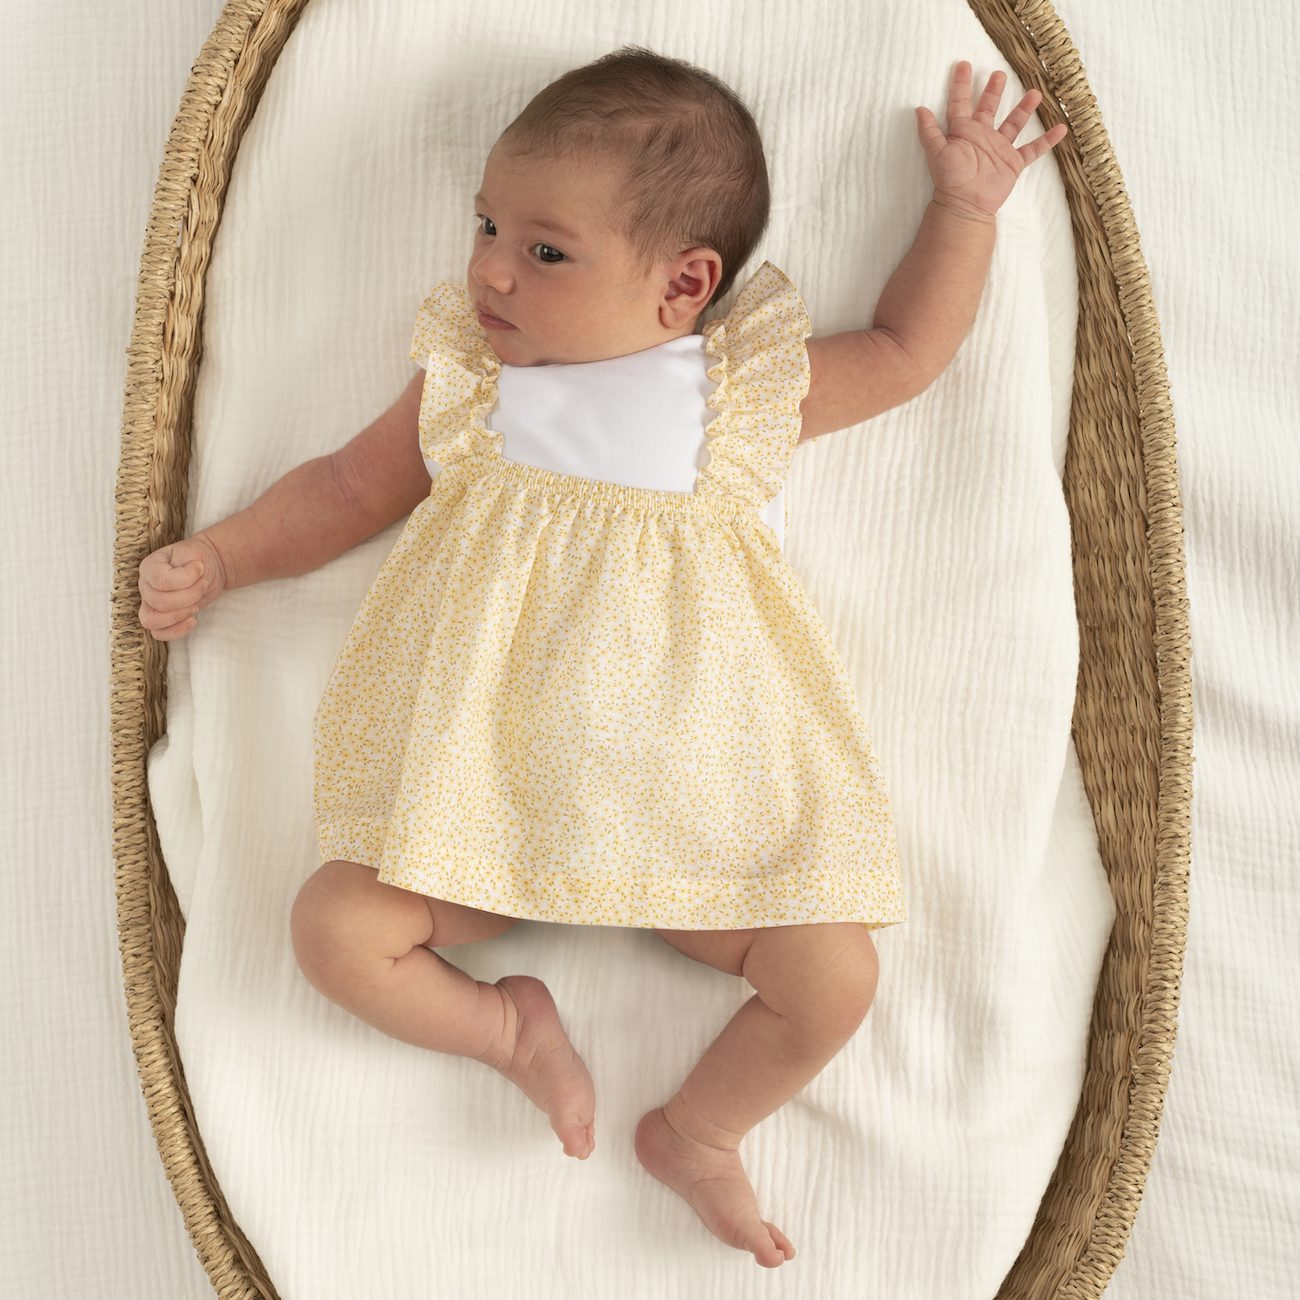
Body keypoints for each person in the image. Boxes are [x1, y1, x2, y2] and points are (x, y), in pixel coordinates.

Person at [136, 45, 1067, 1270]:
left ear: (684, 283)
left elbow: (903, 350)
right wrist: (227, 557)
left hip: (700, 819)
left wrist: (962, 209)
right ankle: (506, 1031)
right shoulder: (474, 392)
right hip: (491, 808)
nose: (489, 270)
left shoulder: (730, 398)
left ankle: (700, 1127)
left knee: (834, 976)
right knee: (332, 928)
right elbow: (350, 486)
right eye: (485, 226)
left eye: (543, 250)